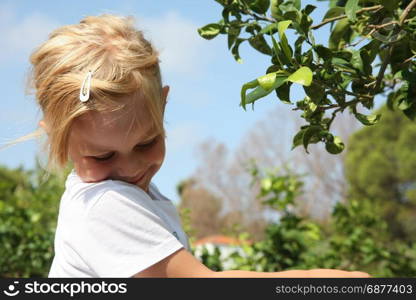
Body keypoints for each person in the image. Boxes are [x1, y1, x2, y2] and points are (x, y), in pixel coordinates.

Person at [23, 14, 369, 278]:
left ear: (164, 105)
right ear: (58, 140)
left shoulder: (135, 195)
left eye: (147, 142)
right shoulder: (103, 206)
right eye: (103, 155)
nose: (130, 168)